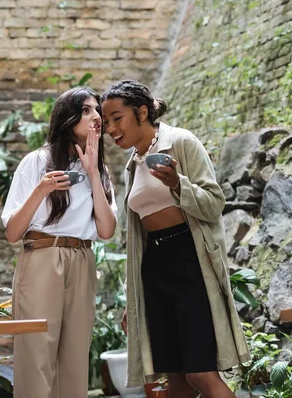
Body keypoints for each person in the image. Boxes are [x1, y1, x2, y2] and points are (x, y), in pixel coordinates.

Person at [101, 80, 249, 398]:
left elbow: (214, 203)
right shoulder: (133, 164)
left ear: (142, 112)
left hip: (189, 260)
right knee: (176, 378)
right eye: (106, 122)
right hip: (154, 267)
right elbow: (138, 238)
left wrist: (177, 183)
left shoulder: (181, 142)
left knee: (200, 372)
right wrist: (134, 297)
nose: (111, 129)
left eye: (117, 118)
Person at [1, 86, 118, 398]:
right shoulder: (35, 162)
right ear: (68, 117)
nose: (97, 117)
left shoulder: (100, 171)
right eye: (87, 110)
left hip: (82, 258)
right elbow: (13, 233)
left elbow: (106, 231)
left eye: (99, 111)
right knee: (36, 352)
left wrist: (93, 173)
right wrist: (41, 189)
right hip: (42, 256)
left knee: (75, 356)